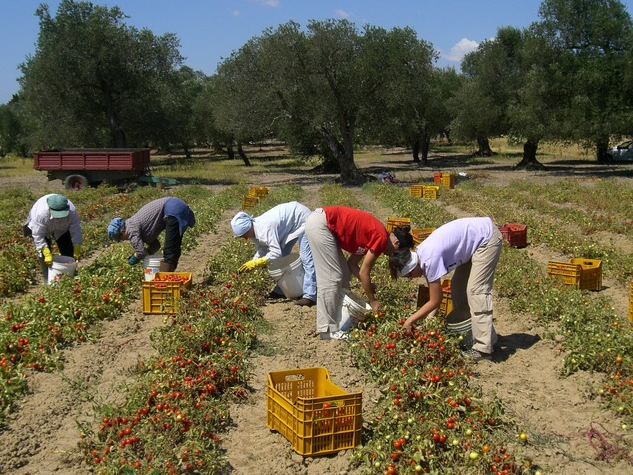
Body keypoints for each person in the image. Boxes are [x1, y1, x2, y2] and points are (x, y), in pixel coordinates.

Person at [388, 217, 503, 361]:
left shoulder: (429, 260)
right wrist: (428, 322)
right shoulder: (422, 256)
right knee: (458, 287)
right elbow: (434, 297)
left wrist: (410, 321)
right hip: (473, 243)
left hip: (486, 238)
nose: (412, 278)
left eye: (409, 276)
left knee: (476, 290)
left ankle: (483, 348)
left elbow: (436, 300)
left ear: (412, 268)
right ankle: (482, 335)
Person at [304, 206, 404, 340]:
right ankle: (328, 330)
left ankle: (339, 321)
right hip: (322, 225)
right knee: (331, 278)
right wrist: (373, 301)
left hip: (324, 225)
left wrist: (368, 284)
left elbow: (352, 264)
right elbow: (364, 272)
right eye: (394, 253)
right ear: (396, 242)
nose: (390, 255)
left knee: (344, 275)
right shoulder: (381, 237)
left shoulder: (374, 235)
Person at [231, 201, 317, 307]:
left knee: (306, 258)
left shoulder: (265, 228)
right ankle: (281, 290)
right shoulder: (254, 232)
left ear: (249, 228)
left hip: (302, 219)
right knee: (282, 259)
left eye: (244, 235)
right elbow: (262, 250)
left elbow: (276, 253)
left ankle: (310, 296)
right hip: (289, 225)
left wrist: (258, 262)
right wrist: (252, 263)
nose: (245, 238)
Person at [107, 197, 195, 272]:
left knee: (169, 251)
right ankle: (170, 279)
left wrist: (135, 257)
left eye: (121, 238)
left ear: (122, 232)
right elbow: (156, 245)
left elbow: (140, 252)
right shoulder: (136, 227)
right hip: (175, 205)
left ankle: (164, 284)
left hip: (172, 210)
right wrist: (148, 253)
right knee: (174, 248)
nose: (124, 240)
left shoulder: (130, 229)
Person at [24, 194, 83, 281]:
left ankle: (69, 276)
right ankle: (47, 279)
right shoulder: (41, 213)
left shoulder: (71, 211)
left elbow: (76, 229)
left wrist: (77, 245)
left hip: (62, 228)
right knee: (45, 256)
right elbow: (38, 234)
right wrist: (45, 251)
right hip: (44, 228)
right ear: (50, 209)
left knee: (67, 250)